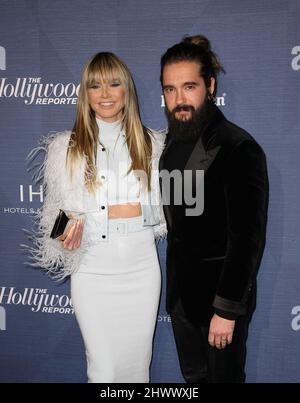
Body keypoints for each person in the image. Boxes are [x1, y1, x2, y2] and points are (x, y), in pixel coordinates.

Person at [25, 52, 166, 383]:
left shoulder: (151, 144)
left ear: (126, 90)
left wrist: (116, 211)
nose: (105, 94)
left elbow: (162, 213)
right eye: (95, 85)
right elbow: (54, 216)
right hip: (92, 275)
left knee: (136, 370)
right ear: (85, 94)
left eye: (114, 84)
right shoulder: (66, 148)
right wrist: (63, 233)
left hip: (141, 274)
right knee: (102, 370)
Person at [159, 35, 269, 383]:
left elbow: (247, 239)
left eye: (189, 86)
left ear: (209, 85)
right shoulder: (170, 144)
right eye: (170, 89)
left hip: (219, 305)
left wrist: (226, 309)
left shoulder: (238, 146)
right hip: (182, 301)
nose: (179, 99)